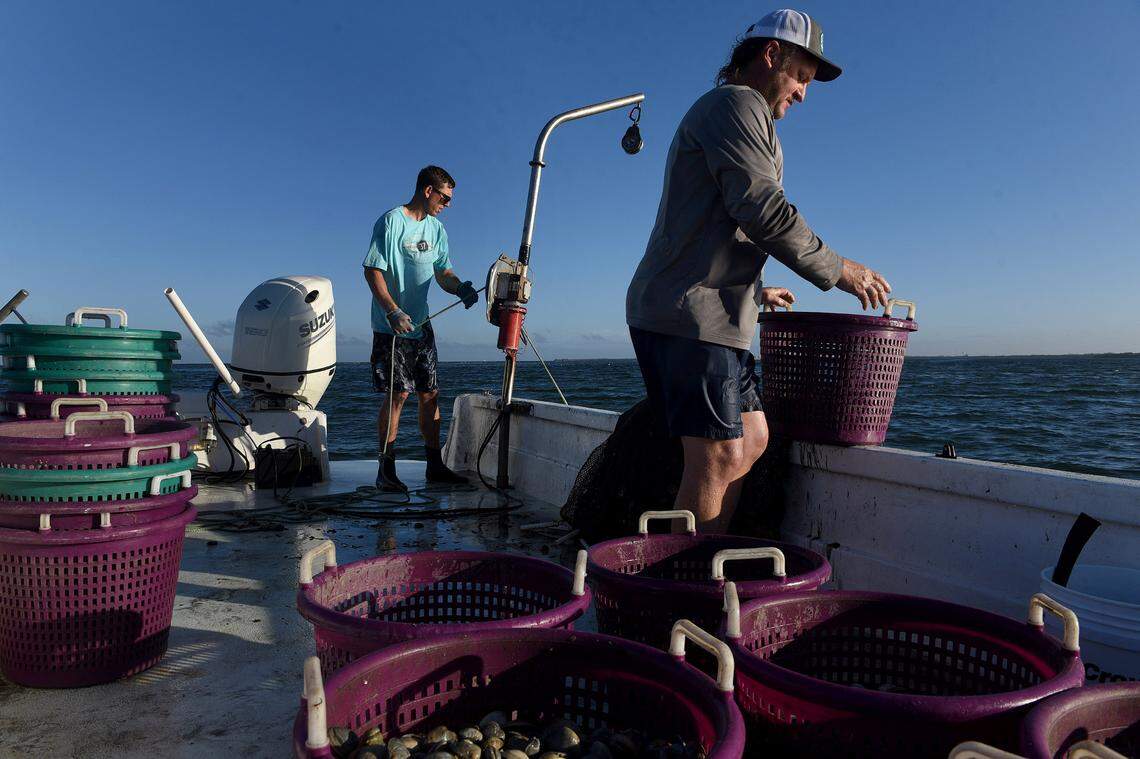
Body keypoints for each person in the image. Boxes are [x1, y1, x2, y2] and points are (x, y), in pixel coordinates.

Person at [625, 9, 892, 532]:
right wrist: (841, 270)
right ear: (771, 56)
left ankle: (706, 562)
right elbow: (762, 208)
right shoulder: (736, 103)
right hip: (688, 317)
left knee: (752, 439)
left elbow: (715, 219)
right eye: (801, 78)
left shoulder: (745, 115)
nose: (803, 94)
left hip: (709, 312)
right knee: (719, 457)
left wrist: (755, 289)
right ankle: (685, 585)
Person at [363, 165, 479, 491]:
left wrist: (460, 288)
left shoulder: (438, 230)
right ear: (428, 190)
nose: (448, 204)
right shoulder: (391, 222)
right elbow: (373, 271)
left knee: (430, 395)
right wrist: (392, 310)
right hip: (392, 327)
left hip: (422, 325)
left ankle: (434, 466)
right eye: (445, 197)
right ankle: (385, 470)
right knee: (398, 394)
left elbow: (443, 272)